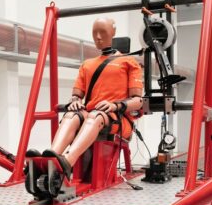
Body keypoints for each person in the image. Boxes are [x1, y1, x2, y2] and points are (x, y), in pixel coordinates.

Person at [29, 17, 144, 179]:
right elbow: (77, 95)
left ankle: (67, 161)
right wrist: (75, 101)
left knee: (95, 116)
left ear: (113, 33)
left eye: (103, 32)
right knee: (71, 115)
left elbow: (138, 100)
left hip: (118, 119)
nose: (98, 37)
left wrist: (115, 105)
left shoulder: (129, 62)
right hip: (91, 115)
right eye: (94, 33)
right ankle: (51, 159)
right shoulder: (87, 64)